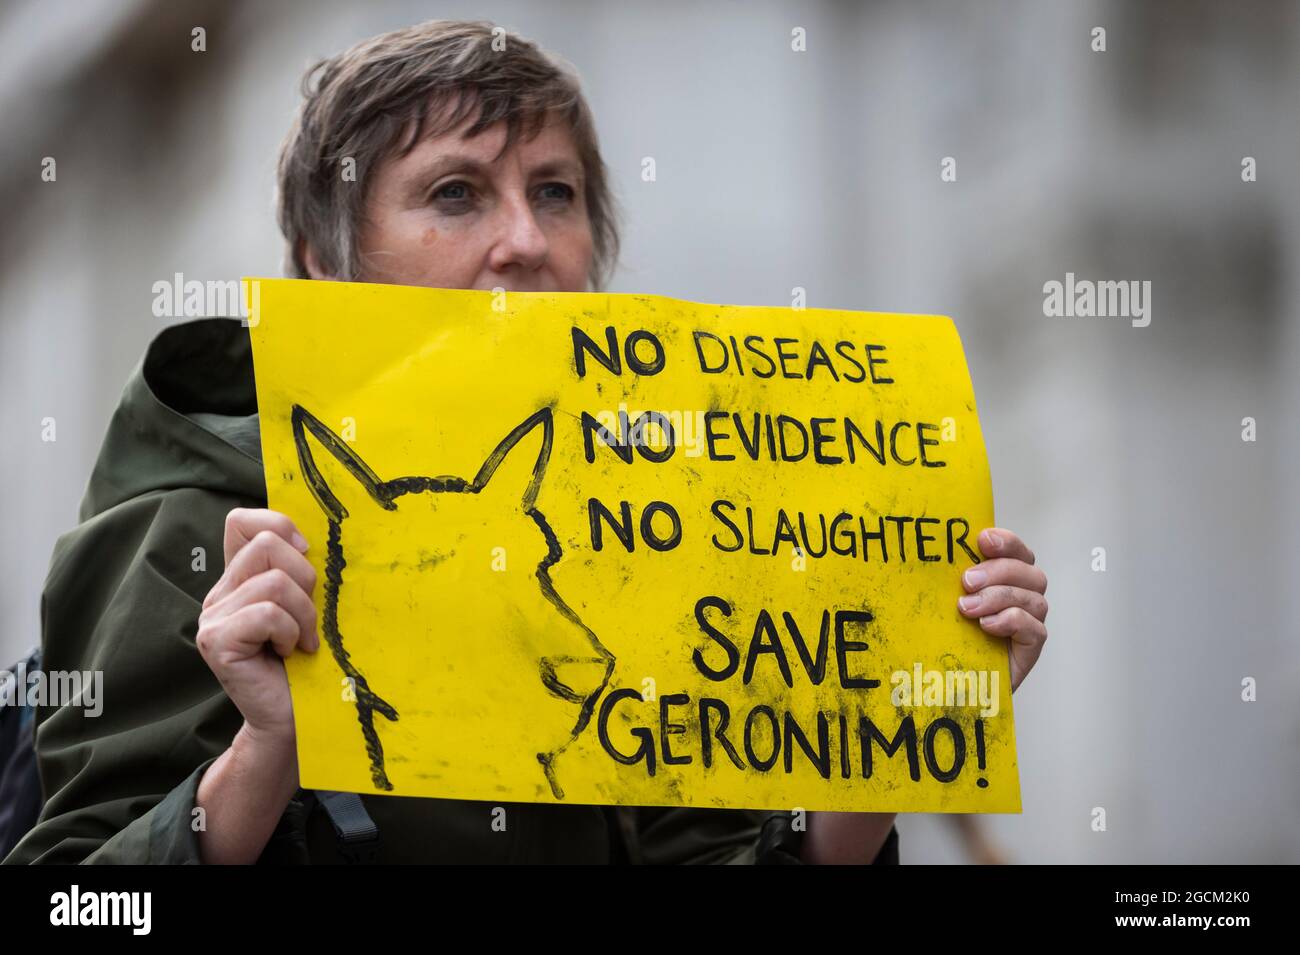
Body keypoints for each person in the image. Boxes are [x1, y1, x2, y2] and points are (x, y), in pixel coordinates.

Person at [3, 19, 1048, 865]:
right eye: (455, 193)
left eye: (556, 193)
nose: (526, 241)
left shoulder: (644, 523)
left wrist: (894, 722)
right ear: (324, 261)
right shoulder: (208, 523)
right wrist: (262, 756)